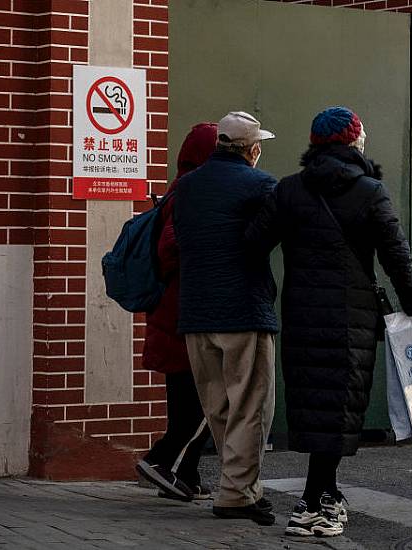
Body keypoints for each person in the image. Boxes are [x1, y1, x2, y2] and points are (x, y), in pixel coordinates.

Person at [246, 106, 412, 538]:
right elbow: (396, 258)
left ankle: (324, 493)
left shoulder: (289, 191)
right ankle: (314, 504)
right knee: (339, 404)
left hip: (303, 314)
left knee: (316, 405)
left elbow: (253, 243)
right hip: (352, 318)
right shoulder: (369, 192)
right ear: (353, 142)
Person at [173, 111, 279, 526]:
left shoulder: (187, 186)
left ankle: (240, 487)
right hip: (243, 310)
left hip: (196, 312)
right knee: (250, 405)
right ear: (252, 150)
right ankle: (236, 493)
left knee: (217, 406)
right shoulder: (261, 184)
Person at [136, 122, 217, 502]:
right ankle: (161, 461)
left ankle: (184, 475)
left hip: (174, 316)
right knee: (205, 402)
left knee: (190, 402)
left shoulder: (178, 189)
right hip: (182, 318)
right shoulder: (189, 193)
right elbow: (171, 248)